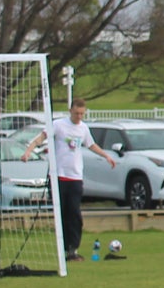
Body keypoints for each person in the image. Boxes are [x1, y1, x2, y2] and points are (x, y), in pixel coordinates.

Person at [22, 99, 117, 260]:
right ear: (70, 110)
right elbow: (41, 138)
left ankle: (73, 249)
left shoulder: (83, 128)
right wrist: (28, 151)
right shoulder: (59, 125)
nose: (79, 116)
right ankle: (62, 248)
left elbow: (91, 145)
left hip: (75, 177)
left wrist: (106, 156)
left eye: (82, 114)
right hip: (59, 176)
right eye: (76, 113)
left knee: (74, 213)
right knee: (61, 214)